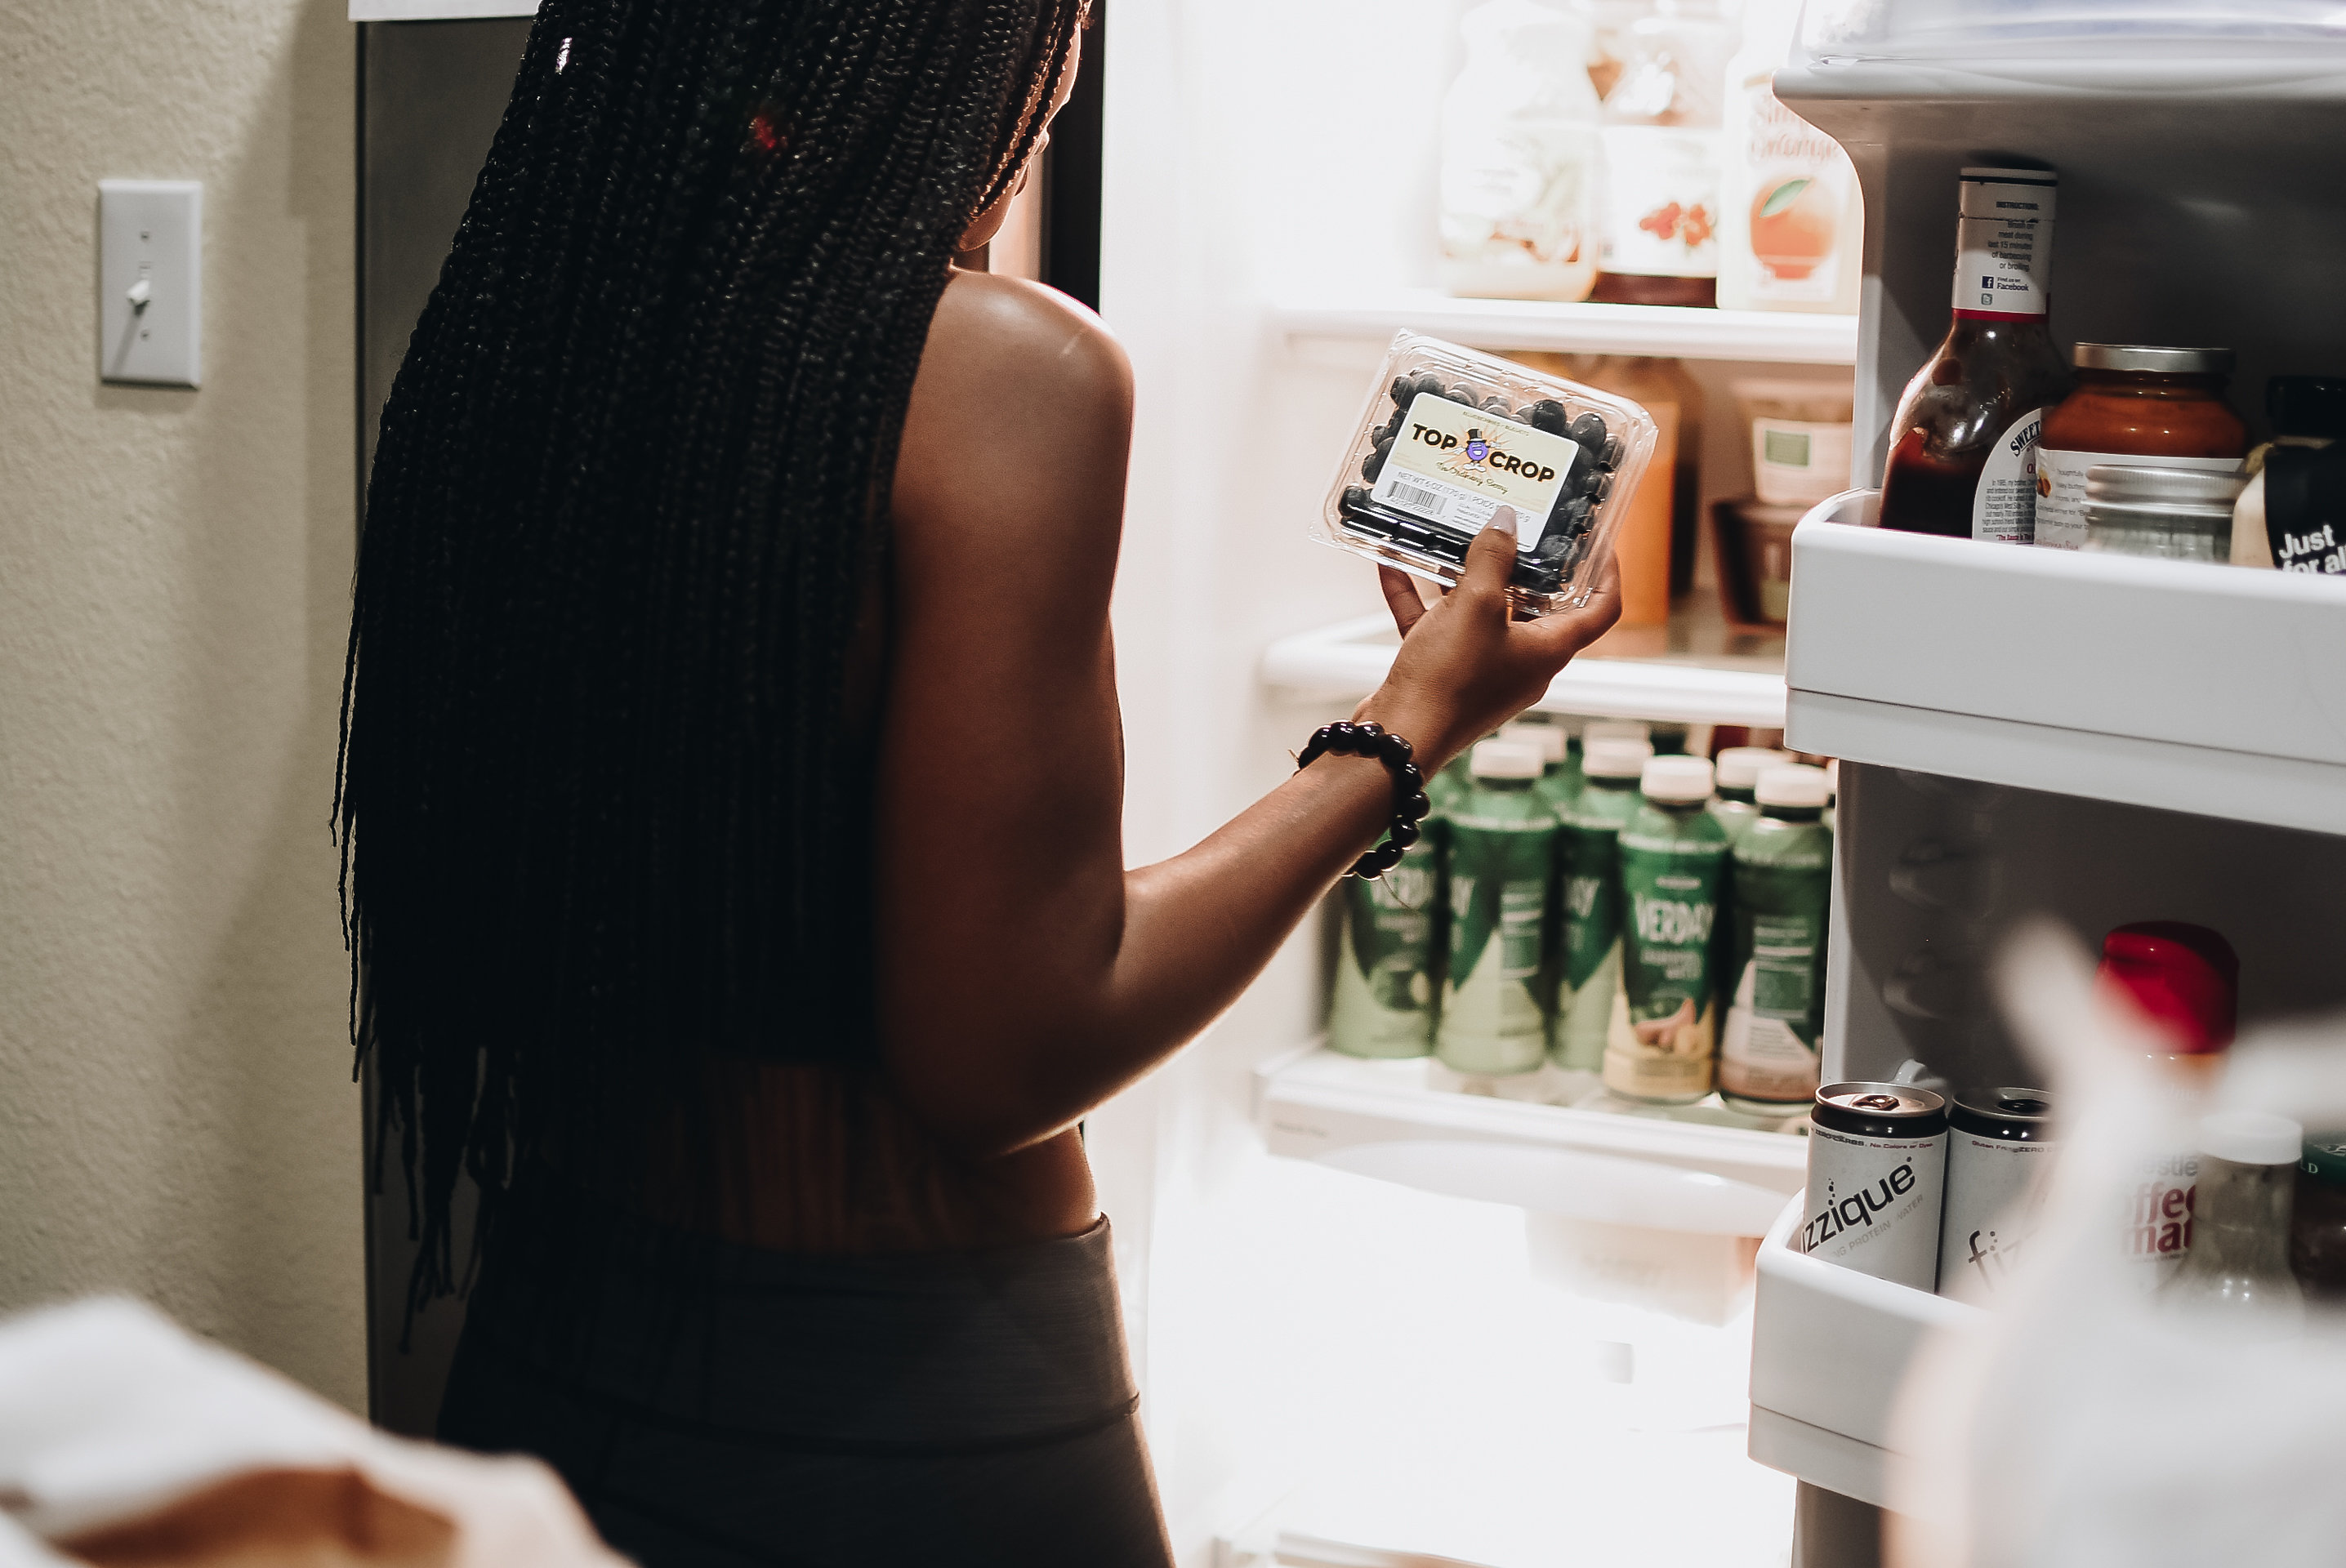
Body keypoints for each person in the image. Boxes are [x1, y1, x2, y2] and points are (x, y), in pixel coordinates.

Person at [336, 2, 1619, 1563]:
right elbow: (1007, 1054)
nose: (1067, 65)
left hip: (547, 1354)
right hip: (907, 1410)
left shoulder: (535, 317)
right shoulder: (1007, 371)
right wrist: (1404, 732)